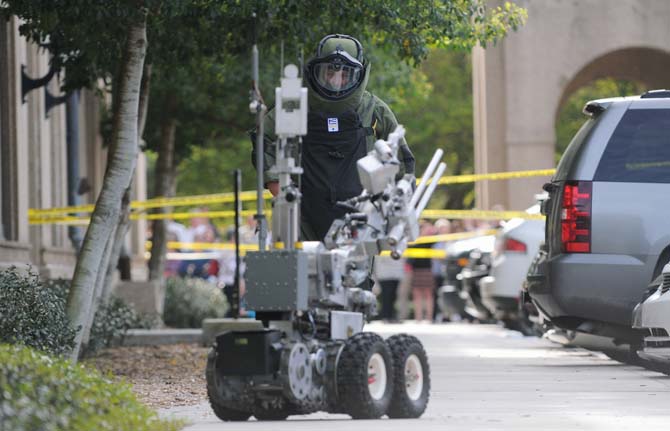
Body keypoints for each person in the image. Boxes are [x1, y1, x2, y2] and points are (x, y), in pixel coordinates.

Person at [252, 34, 415, 241]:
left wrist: (392, 207)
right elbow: (263, 141)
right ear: (316, 71)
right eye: (329, 72)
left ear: (359, 74)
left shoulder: (373, 110)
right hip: (303, 218)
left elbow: (401, 162)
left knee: (355, 273)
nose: (336, 81)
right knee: (301, 271)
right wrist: (279, 188)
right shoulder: (296, 105)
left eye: (345, 75)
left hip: (361, 219)